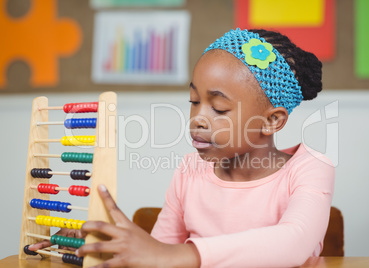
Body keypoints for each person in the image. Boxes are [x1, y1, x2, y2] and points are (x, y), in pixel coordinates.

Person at [30, 28, 335, 267]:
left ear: (271, 121)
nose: (197, 119)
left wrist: (183, 257)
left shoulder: (309, 168)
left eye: (218, 107)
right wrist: (104, 244)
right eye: (194, 102)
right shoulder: (191, 170)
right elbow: (160, 254)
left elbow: (294, 243)